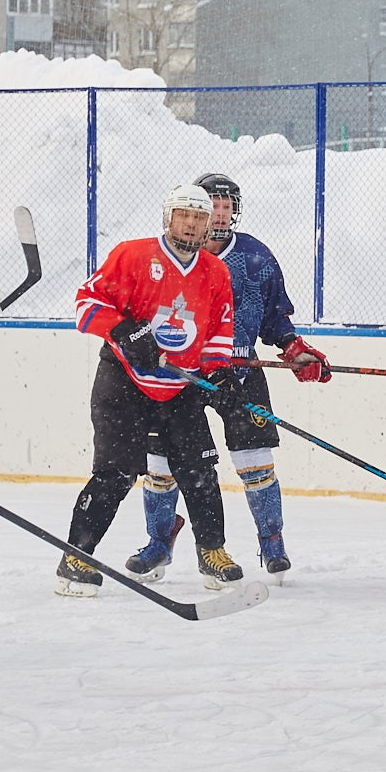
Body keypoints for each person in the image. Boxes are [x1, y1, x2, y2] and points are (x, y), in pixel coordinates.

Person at [125, 172, 330, 583]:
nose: (220, 214)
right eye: (212, 206)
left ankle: (272, 543)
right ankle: (159, 543)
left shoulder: (255, 257)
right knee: (160, 464)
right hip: (181, 376)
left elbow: (274, 319)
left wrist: (294, 348)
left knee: (255, 460)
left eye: (226, 206)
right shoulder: (170, 256)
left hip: (238, 370)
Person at [57, 182, 244, 596]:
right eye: (185, 216)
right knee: (116, 474)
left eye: (200, 218)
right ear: (169, 217)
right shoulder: (133, 255)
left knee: (200, 473)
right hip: (124, 382)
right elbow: (86, 304)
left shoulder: (216, 272)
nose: (193, 224)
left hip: (179, 387)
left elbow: (218, 332)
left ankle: (212, 553)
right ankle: (76, 558)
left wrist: (218, 374)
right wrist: (123, 329)